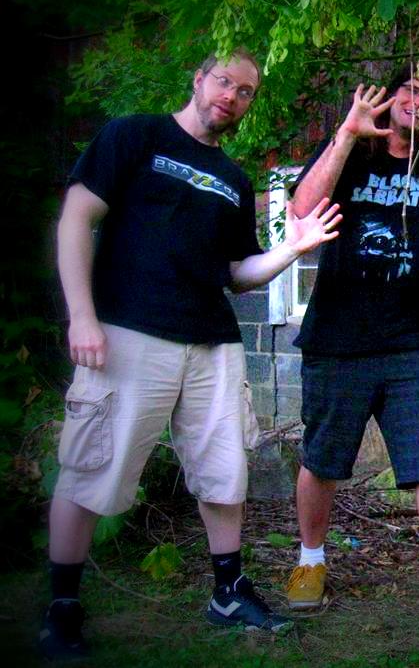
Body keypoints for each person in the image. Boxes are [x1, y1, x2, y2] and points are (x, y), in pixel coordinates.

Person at [44, 48, 342, 659]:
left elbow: (237, 273)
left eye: (245, 91)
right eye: (224, 82)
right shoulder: (134, 136)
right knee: (93, 466)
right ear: (199, 79)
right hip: (128, 333)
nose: (231, 96)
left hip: (213, 344)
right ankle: (62, 606)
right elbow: (77, 217)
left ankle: (228, 592)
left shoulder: (233, 179)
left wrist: (293, 249)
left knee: (224, 472)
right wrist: (82, 315)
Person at [286, 63, 419, 644]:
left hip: (410, 347)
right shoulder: (350, 155)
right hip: (336, 342)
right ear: (391, 96)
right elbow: (302, 209)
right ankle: (311, 560)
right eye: (412, 89)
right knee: (322, 459)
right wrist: (347, 133)